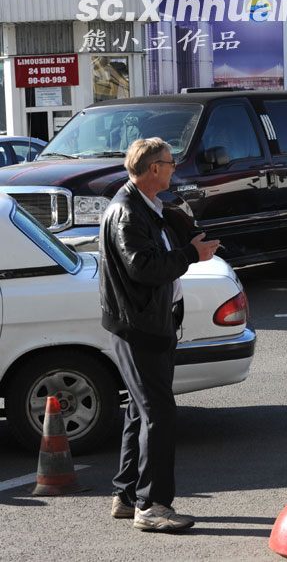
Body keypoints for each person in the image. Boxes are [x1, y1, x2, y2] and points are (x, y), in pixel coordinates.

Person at [100, 137, 219, 532]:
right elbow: (143, 268)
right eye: (169, 163)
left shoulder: (148, 207)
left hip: (151, 322)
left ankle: (126, 494)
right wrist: (190, 256)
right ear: (153, 169)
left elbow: (156, 255)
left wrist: (186, 238)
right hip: (140, 327)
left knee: (140, 410)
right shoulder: (127, 212)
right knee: (158, 413)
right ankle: (152, 506)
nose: (174, 169)